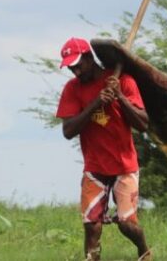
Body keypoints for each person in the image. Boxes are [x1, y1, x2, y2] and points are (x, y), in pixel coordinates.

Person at [55, 37, 151, 261]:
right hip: (95, 168)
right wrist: (95, 103)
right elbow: (68, 130)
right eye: (71, 68)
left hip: (124, 166)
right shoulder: (72, 89)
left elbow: (142, 123)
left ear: (89, 58)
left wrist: (119, 97)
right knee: (92, 227)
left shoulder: (123, 81)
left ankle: (144, 251)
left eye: (78, 65)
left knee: (126, 225)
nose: (75, 72)